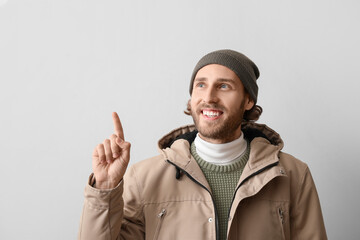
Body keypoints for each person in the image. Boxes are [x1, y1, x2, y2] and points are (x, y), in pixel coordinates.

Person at [78, 49, 327, 240]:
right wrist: (105, 189)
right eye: (201, 85)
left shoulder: (293, 175)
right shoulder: (144, 177)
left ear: (248, 100)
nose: (209, 97)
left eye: (224, 86)